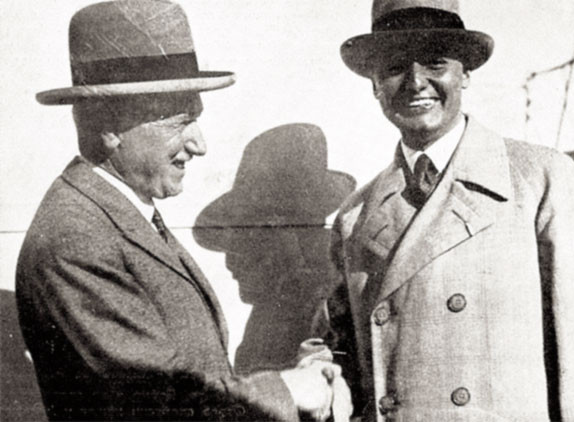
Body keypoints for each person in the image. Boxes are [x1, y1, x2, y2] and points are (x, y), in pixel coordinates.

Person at [15, 1, 344, 420]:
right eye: (179, 121)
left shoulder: (118, 216)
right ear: (109, 126)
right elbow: (156, 405)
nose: (199, 144)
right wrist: (286, 391)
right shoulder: (77, 240)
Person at [313, 0, 574, 420]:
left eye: (435, 63)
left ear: (466, 73)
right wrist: (319, 374)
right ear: (374, 84)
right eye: (395, 67)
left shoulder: (539, 180)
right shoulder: (355, 217)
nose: (415, 82)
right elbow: (338, 349)